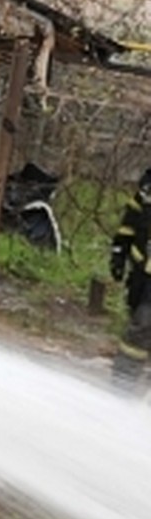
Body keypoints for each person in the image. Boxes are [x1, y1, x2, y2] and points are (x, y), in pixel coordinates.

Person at [109, 167, 151, 391]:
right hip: (144, 276)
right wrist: (119, 251)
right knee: (140, 326)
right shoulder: (148, 186)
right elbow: (130, 221)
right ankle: (121, 385)